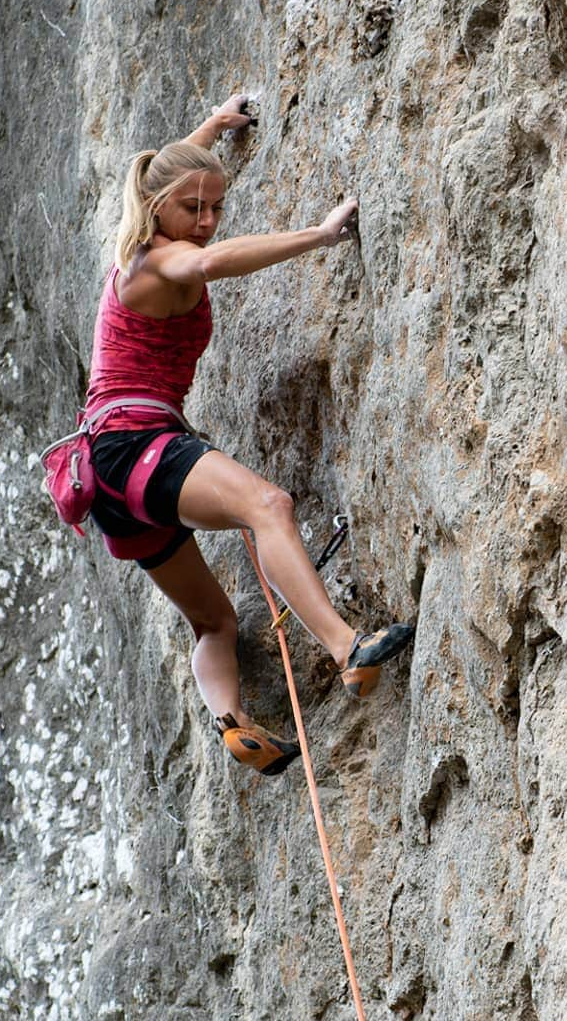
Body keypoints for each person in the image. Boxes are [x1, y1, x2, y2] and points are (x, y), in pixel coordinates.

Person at [84, 93, 414, 776]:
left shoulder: (145, 234)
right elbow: (206, 262)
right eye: (192, 209)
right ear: (156, 209)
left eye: (216, 209)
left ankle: (231, 722)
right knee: (268, 507)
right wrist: (319, 237)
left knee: (216, 623)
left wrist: (209, 127)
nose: (205, 223)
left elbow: (171, 180)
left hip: (107, 478)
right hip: (135, 445)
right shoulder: (160, 263)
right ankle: (347, 647)